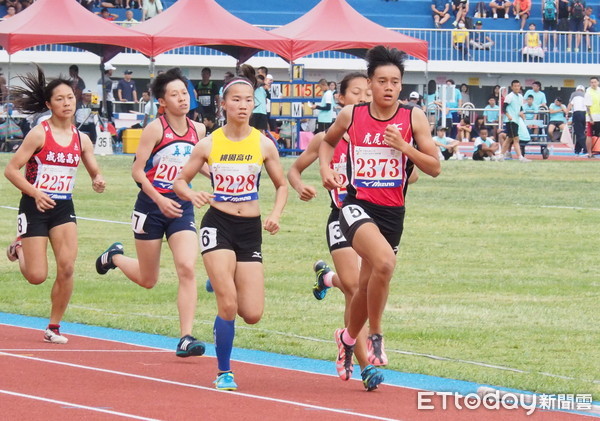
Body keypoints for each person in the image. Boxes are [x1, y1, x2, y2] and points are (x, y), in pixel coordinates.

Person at [318, 45, 441, 383]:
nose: (388, 87)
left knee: (366, 283)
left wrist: (404, 147)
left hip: (392, 214)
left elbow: (434, 168)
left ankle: (346, 339)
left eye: (395, 82)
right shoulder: (352, 115)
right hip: (356, 206)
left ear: (401, 86)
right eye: (382, 81)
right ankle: (374, 335)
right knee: (385, 263)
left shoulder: (413, 117)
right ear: (369, 83)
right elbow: (327, 143)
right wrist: (326, 170)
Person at [173, 66, 288, 391]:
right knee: (229, 305)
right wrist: (192, 193)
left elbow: (281, 186)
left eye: (248, 100)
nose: (242, 105)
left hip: (250, 228)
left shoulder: (264, 144)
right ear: (224, 104)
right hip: (218, 225)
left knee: (252, 313)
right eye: (235, 99)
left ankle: (218, 278)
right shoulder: (209, 144)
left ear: (254, 104)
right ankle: (224, 371)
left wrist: (276, 214)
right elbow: (180, 180)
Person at [95, 68, 208, 358]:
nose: (182, 98)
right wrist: (158, 199)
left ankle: (185, 337)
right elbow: (137, 171)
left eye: (184, 92)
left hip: (181, 208)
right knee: (148, 279)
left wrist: (219, 177)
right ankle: (115, 257)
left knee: (186, 267)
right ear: (162, 102)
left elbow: (197, 165)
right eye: (175, 94)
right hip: (151, 208)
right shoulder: (155, 129)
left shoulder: (199, 131)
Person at [287, 72, 387, 391]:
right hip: (341, 218)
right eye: (355, 92)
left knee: (360, 289)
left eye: (367, 93)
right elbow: (294, 170)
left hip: (374, 220)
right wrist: (302, 185)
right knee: (357, 289)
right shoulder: (324, 139)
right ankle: (364, 366)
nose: (363, 97)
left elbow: (407, 177)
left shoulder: (377, 136)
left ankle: (326, 279)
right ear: (341, 100)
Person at [4, 65, 106, 344]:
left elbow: (94, 168)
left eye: (70, 98)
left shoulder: (81, 138)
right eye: (59, 99)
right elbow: (11, 170)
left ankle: (54, 326)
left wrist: (97, 179)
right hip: (34, 207)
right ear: (49, 104)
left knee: (68, 267)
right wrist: (35, 193)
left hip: (63, 208)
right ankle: (18, 247)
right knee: (37, 276)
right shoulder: (39, 134)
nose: (66, 103)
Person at [501, 80, 530, 161]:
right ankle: (520, 157)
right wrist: (508, 115)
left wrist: (523, 115)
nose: (517, 87)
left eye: (518, 86)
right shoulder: (509, 96)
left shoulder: (520, 97)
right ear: (512, 87)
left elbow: (520, 108)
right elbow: (504, 108)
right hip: (511, 121)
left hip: (516, 120)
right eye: (515, 86)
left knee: (508, 139)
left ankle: (500, 155)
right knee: (516, 139)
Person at [567, 84, 588, 155]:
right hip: (585, 114)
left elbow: (570, 104)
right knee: (581, 131)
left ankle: (586, 148)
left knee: (579, 133)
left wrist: (567, 114)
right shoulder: (586, 95)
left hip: (577, 113)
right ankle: (577, 150)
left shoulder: (574, 94)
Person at [584, 76, 600, 157]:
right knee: (589, 135)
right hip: (592, 117)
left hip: (599, 116)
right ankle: (589, 153)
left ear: (598, 82)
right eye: (592, 82)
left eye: (595, 82)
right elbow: (587, 107)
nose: (593, 84)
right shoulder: (588, 92)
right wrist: (590, 118)